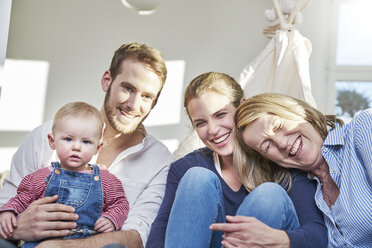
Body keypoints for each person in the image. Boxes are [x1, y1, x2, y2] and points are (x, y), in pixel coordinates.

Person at [0, 42, 175, 248]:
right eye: (128, 88)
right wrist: (19, 227)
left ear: (154, 103)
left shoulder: (161, 162)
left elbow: (138, 236)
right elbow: (7, 203)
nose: (134, 105)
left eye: (147, 96)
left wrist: (61, 247)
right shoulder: (46, 136)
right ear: (107, 81)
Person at [146, 72, 327, 248]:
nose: (213, 130)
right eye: (201, 123)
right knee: (197, 178)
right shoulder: (185, 167)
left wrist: (276, 239)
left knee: (269, 194)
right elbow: (160, 231)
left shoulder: (281, 160)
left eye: (220, 115)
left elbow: (318, 234)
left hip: (274, 239)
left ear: (242, 108)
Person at [234, 93, 372, 248]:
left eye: (278, 126)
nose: (281, 143)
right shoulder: (299, 189)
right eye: (267, 146)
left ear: (297, 111)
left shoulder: (364, 126)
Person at [0, 102, 129, 247]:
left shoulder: (106, 179)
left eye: (86, 141)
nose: (76, 147)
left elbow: (120, 203)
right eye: (68, 139)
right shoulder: (40, 177)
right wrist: (8, 212)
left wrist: (112, 218)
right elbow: (21, 199)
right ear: (52, 141)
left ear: (97, 148)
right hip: (42, 243)